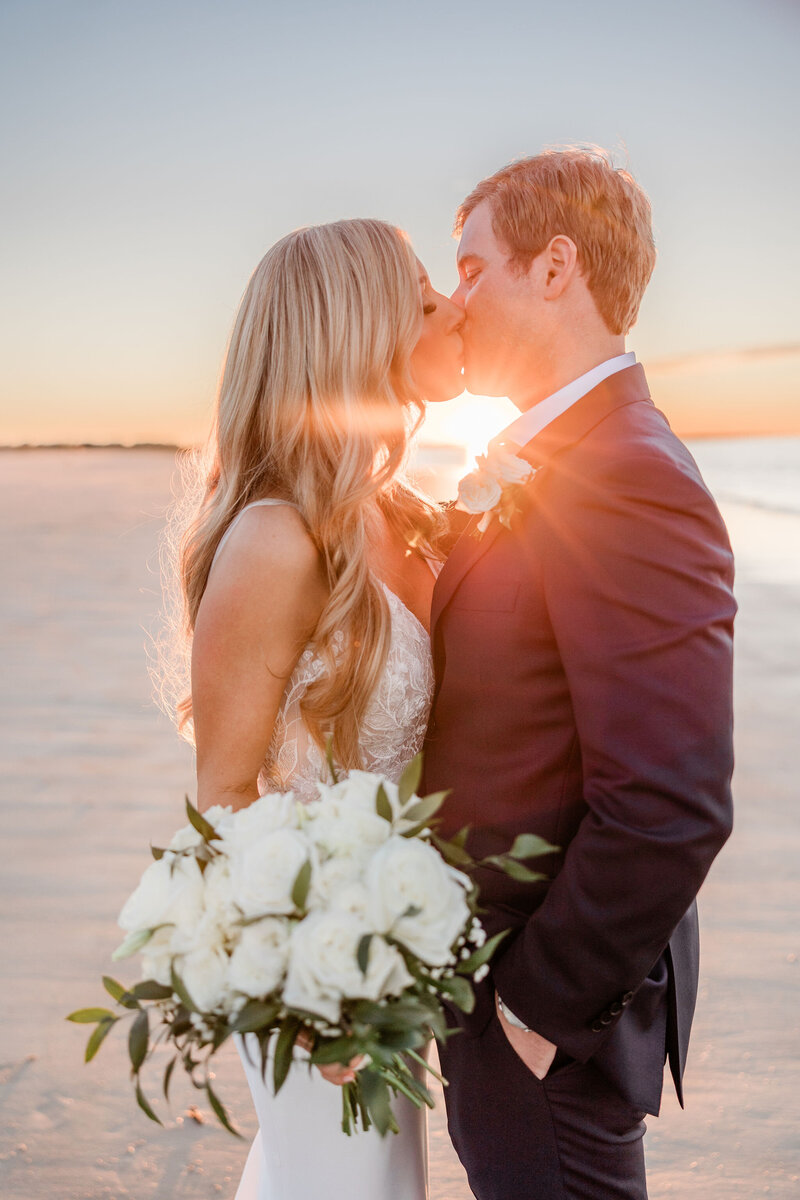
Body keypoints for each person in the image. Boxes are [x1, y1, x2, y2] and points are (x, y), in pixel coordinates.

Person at [422, 148, 737, 1199]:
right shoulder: (562, 456)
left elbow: (671, 801)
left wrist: (529, 1016)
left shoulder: (626, 475)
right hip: (498, 1005)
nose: (455, 301)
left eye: (471, 269)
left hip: (546, 1025)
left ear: (554, 268)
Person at [169, 219, 464, 1199]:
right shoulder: (274, 538)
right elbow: (223, 791)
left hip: (393, 948)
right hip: (315, 970)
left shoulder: (395, 513)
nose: (449, 312)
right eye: (422, 300)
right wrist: (313, 977)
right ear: (360, 332)